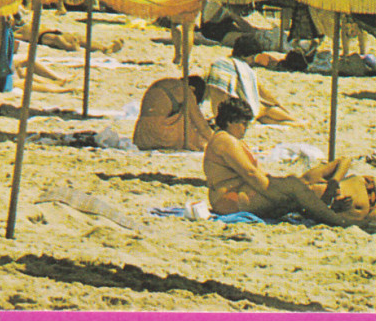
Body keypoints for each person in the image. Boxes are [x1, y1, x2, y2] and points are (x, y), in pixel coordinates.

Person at [201, 98, 353, 225]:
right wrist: (274, 193)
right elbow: (250, 173)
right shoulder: (225, 140)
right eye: (243, 123)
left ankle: (325, 213)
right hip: (228, 200)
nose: (245, 128)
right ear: (229, 121)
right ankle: (335, 220)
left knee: (294, 188)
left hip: (236, 195)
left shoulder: (229, 140)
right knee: (293, 189)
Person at [206, 35, 297, 124]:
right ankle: (293, 120)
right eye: (253, 57)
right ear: (245, 56)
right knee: (264, 107)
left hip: (218, 112)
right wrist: (279, 105)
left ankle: (286, 123)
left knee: (258, 112)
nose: (253, 61)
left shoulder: (219, 62)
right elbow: (262, 92)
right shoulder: (244, 69)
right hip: (232, 113)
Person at [132, 75, 212, 151]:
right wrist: (213, 139)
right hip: (161, 135)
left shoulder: (169, 83)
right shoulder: (184, 90)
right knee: (186, 118)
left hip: (142, 135)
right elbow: (199, 121)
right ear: (193, 89)